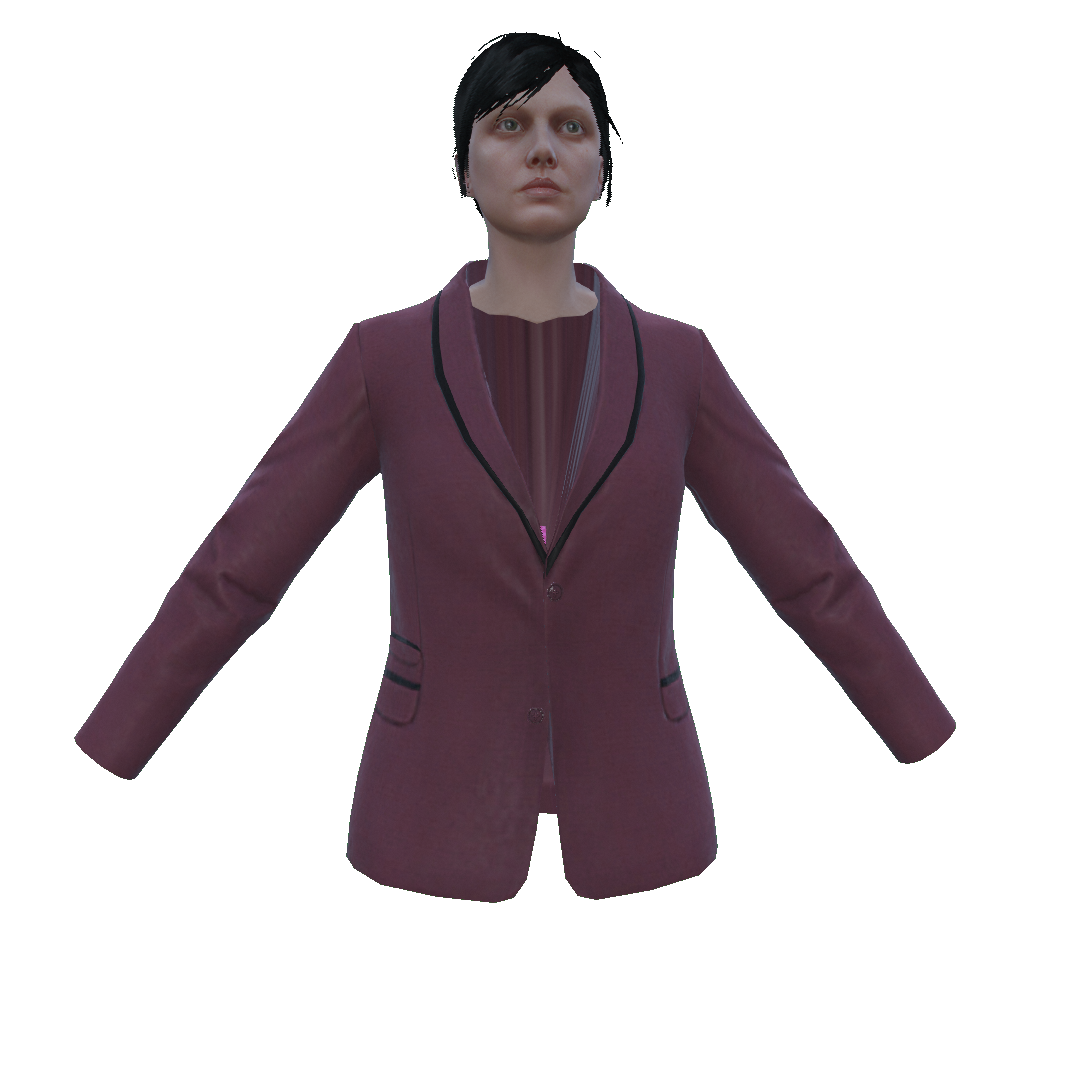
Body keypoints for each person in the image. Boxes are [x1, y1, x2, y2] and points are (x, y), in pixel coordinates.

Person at [75, 32, 955, 902]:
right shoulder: (385, 360)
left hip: (645, 816)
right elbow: (241, 567)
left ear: (603, 169)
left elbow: (807, 568)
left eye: (572, 127)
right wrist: (114, 745)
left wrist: (924, 736)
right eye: (508, 124)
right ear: (463, 167)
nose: (542, 149)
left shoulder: (678, 363)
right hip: (426, 815)